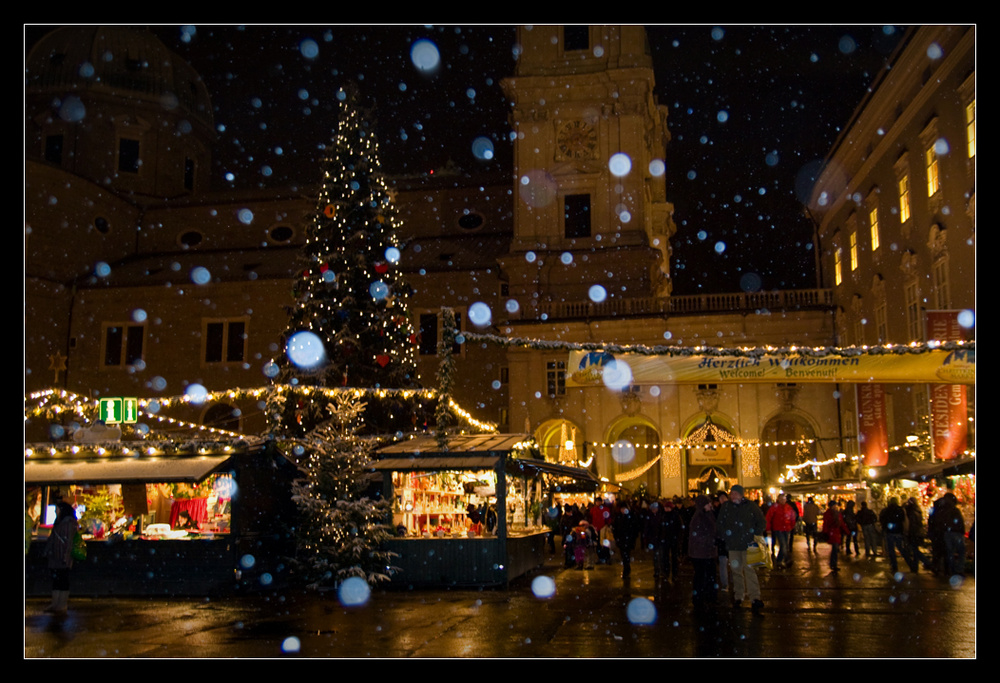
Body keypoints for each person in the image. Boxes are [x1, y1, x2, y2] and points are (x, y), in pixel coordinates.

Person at [716, 485, 767, 614]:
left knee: (750, 571)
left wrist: (756, 535)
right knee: (736, 572)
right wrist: (725, 536)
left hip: (749, 545)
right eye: (731, 493)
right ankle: (738, 596)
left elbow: (761, 521)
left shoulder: (750, 506)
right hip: (733, 546)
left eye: (735, 493)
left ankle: (755, 598)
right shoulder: (726, 507)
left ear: (741, 494)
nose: (733, 496)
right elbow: (720, 523)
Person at [45, 499, 79, 614]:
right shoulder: (65, 522)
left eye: (57, 509)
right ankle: (57, 603)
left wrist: (65, 557)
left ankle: (60, 604)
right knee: (58, 579)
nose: (55, 511)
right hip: (57, 556)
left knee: (61, 579)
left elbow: (68, 541)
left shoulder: (67, 523)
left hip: (61, 556)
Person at [688, 494, 718, 609]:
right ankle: (699, 598)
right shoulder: (698, 517)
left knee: (709, 575)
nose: (710, 505)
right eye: (708, 503)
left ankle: (708, 596)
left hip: (707, 551)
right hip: (700, 553)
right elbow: (698, 536)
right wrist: (711, 540)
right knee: (701, 576)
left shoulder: (708, 515)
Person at [938, 492, 966, 577]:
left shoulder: (942, 509)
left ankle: (952, 569)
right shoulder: (954, 510)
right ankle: (958, 569)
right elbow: (959, 521)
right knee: (960, 551)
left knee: (950, 552)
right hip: (956, 532)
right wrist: (961, 530)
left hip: (947, 532)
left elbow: (941, 522)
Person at [765, 493, 796, 568]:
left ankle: (780, 560)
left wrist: (791, 526)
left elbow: (792, 517)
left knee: (784, 545)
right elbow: (768, 518)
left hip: (786, 528)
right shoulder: (775, 508)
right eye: (781, 499)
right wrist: (768, 528)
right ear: (778, 499)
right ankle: (786, 559)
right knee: (783, 544)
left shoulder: (788, 507)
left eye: (784, 499)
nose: (783, 501)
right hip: (778, 528)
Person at [612, 501, 640, 579]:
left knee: (626, 554)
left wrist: (633, 537)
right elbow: (615, 528)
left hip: (628, 539)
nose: (623, 510)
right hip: (622, 539)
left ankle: (626, 569)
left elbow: (635, 528)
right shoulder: (618, 517)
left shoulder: (631, 516)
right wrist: (617, 537)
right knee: (624, 554)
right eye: (622, 509)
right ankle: (626, 568)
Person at [879, 497, 907, 574]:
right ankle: (909, 562)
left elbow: (882, 519)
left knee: (891, 549)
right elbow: (902, 519)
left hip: (890, 531)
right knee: (900, 548)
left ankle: (894, 565)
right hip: (898, 531)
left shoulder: (886, 510)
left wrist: (885, 526)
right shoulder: (900, 510)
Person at [822, 500, 849, 572]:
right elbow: (826, 524)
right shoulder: (832, 514)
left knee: (835, 548)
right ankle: (833, 564)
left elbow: (841, 523)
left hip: (835, 533)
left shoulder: (832, 514)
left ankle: (833, 564)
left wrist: (846, 531)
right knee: (835, 548)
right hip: (833, 533)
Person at [904, 497, 927, 572]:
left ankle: (926, 563)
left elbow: (912, 524)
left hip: (913, 533)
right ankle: (915, 566)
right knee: (915, 550)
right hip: (916, 533)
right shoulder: (917, 511)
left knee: (912, 550)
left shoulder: (911, 512)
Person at [713, 492, 730, 592]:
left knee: (733, 564)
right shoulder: (717, 511)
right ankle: (725, 584)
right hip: (722, 542)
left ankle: (734, 583)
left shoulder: (732, 509)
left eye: (724, 498)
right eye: (721, 498)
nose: (722, 500)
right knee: (723, 563)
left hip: (731, 541)